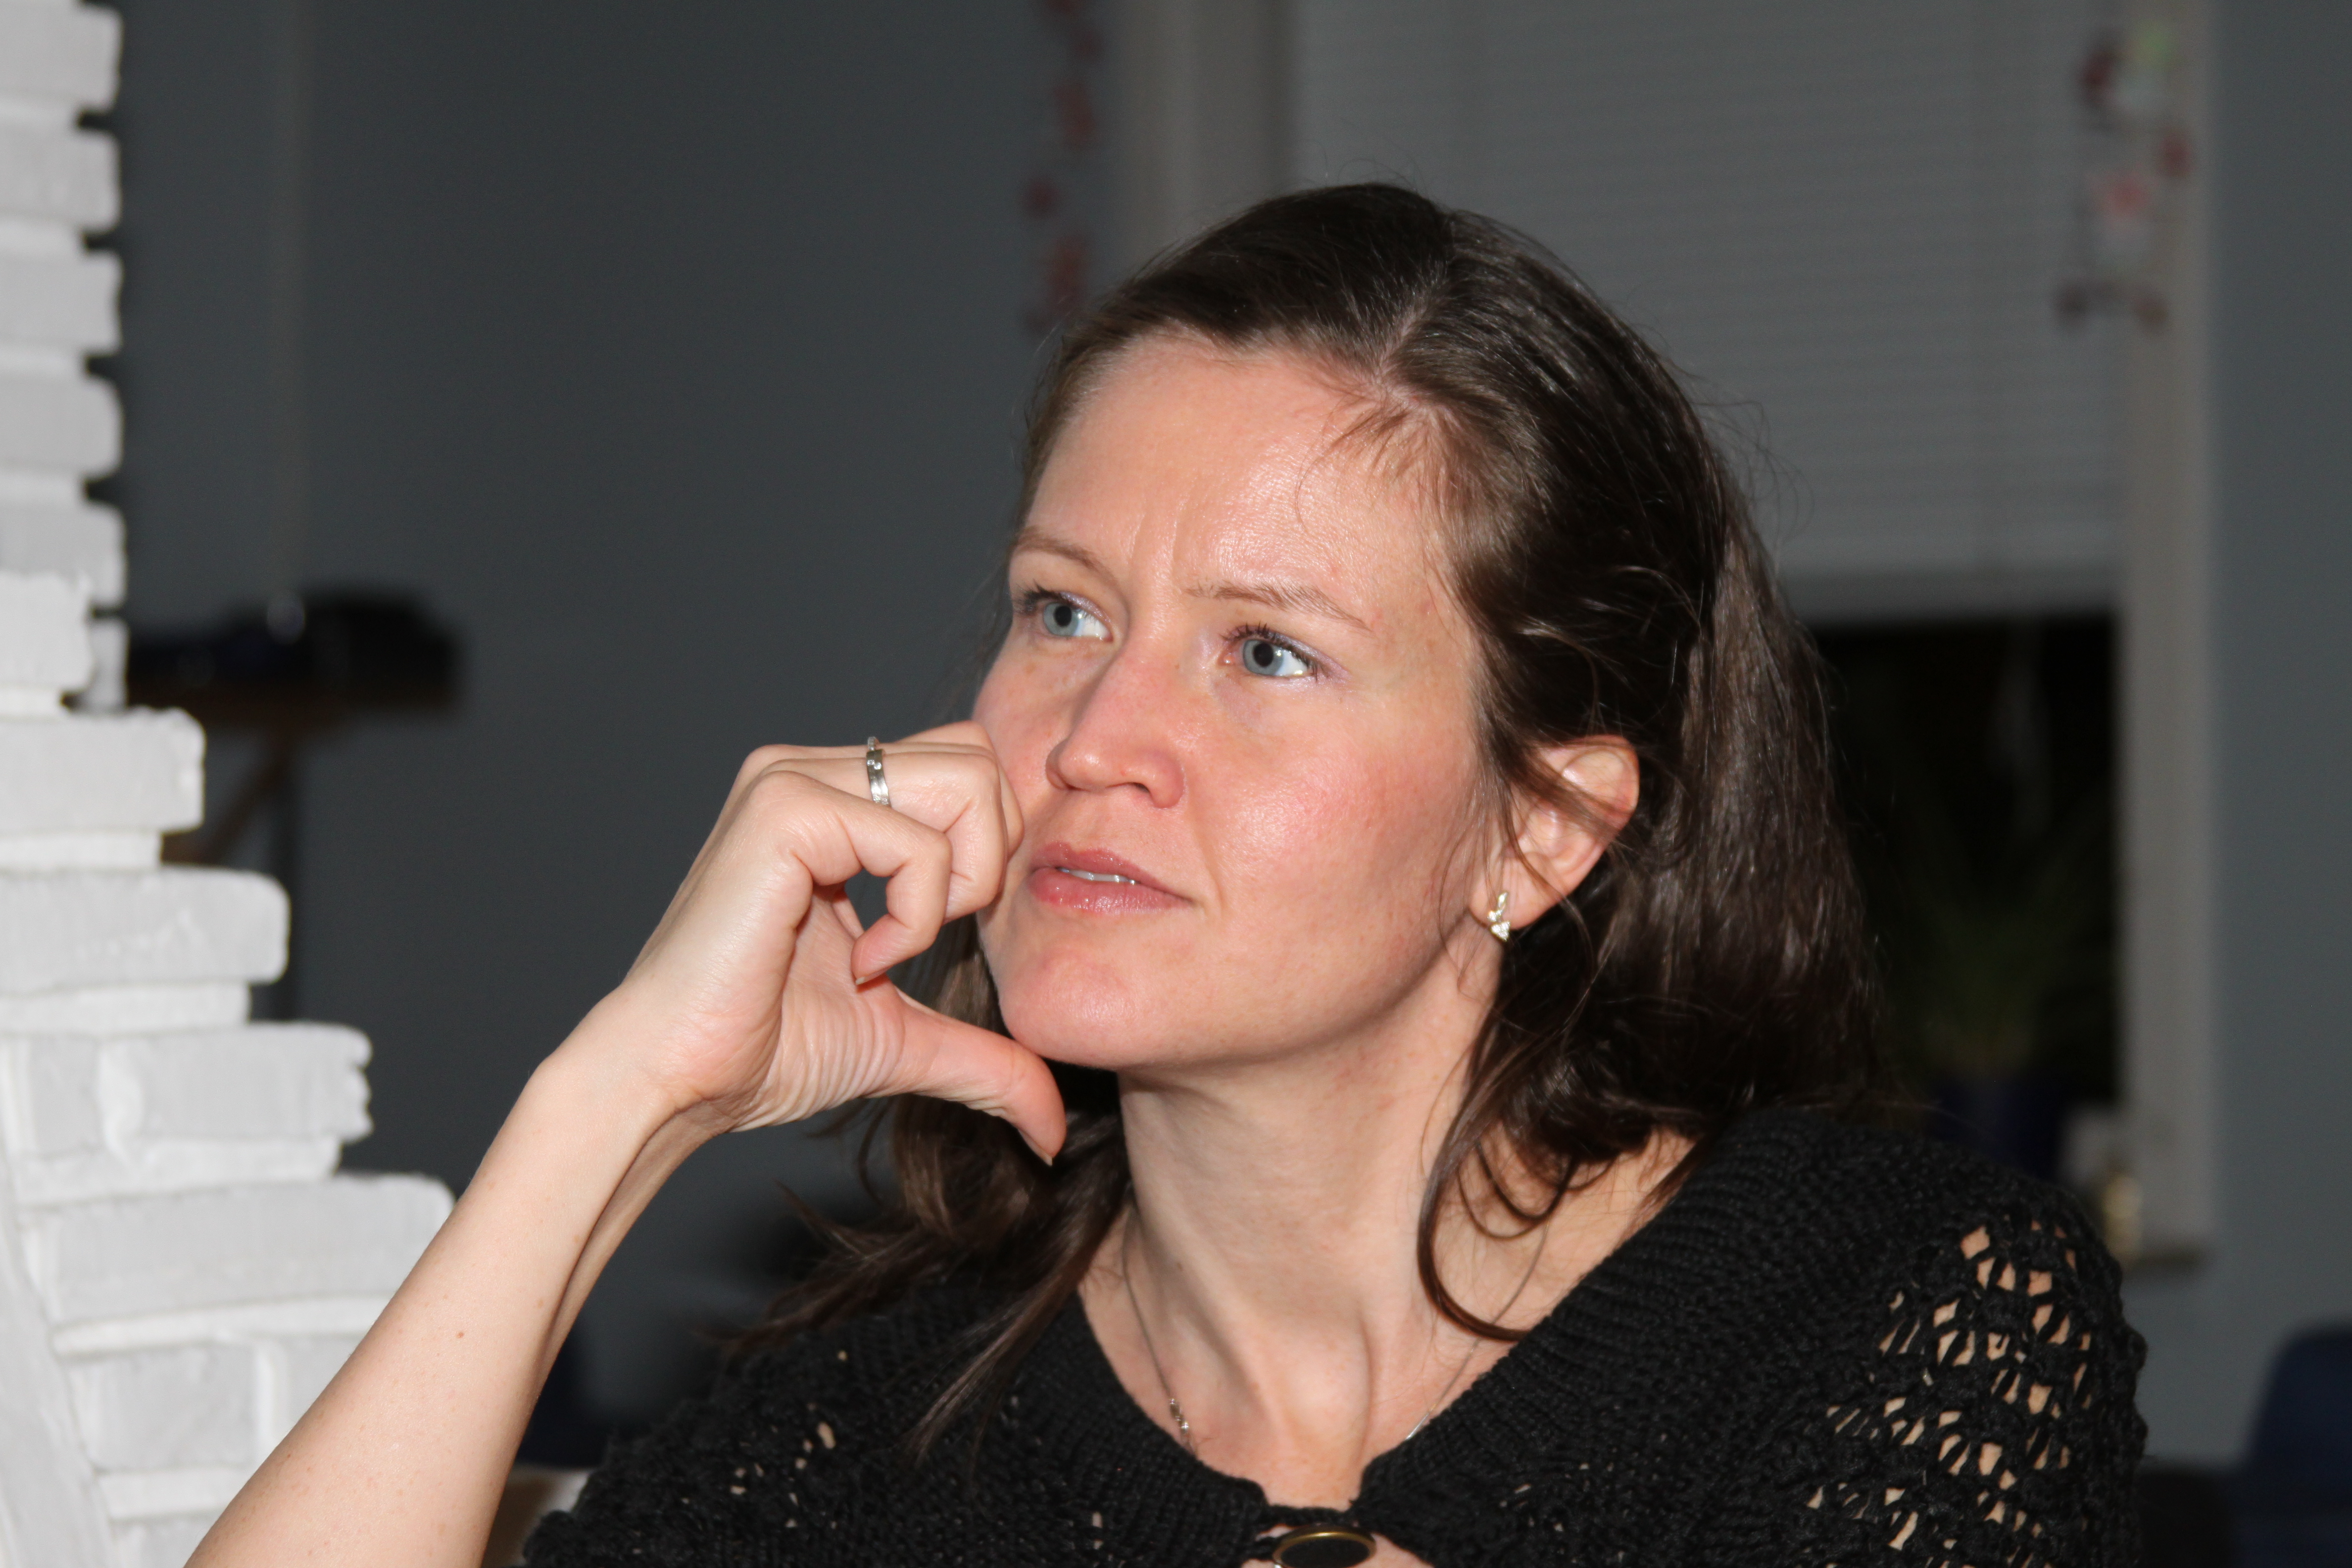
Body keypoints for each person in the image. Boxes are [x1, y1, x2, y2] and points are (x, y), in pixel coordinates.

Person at [190, 185, 2144, 1568]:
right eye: (1063, 611)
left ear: (1541, 826)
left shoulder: (1883, 1317)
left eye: (1266, 651)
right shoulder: (864, 1451)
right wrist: (618, 1100)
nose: (1093, 736)